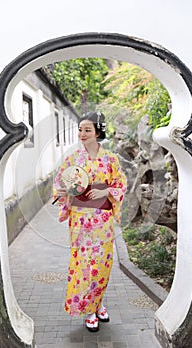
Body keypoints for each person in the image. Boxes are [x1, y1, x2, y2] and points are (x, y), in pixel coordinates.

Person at [53, 111, 127, 332]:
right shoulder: (72, 159)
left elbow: (120, 184)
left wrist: (106, 193)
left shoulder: (111, 159)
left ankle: (99, 303)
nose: (82, 134)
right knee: (84, 265)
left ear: (98, 132)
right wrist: (65, 190)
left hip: (102, 220)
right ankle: (88, 310)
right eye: (80, 129)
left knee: (102, 264)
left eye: (87, 130)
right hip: (80, 220)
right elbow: (60, 182)